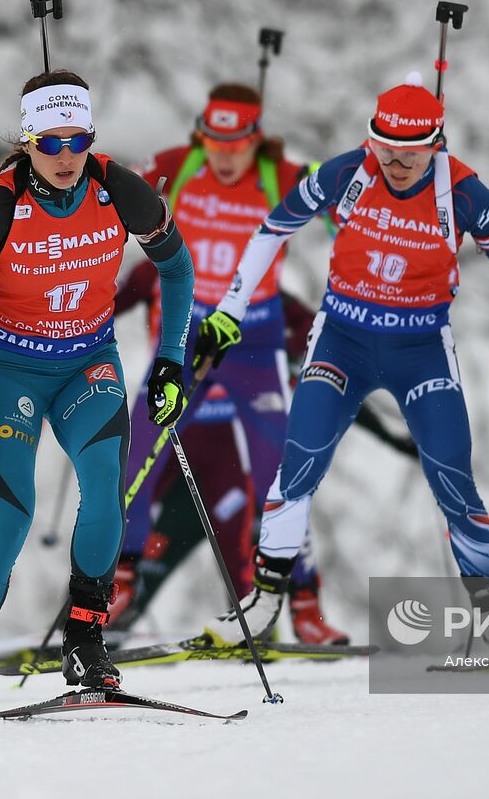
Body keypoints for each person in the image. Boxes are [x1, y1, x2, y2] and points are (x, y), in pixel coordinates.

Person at [191, 72, 489, 655]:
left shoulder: (463, 193)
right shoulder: (347, 173)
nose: (395, 166)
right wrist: (230, 309)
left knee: (452, 477)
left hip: (420, 349)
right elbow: (271, 228)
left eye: (410, 156)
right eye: (385, 151)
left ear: (435, 146)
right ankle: (264, 603)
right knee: (299, 462)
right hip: (343, 343)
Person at [0, 69, 195, 716]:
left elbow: (178, 268)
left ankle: (85, 640)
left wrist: (171, 361)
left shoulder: (118, 188)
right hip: (10, 371)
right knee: (11, 520)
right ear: (27, 141)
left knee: (105, 488)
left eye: (78, 140)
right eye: (49, 142)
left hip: (87, 365)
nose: (66, 155)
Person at [110, 83, 349, 643]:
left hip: (253, 336)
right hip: (188, 331)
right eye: (214, 142)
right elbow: (104, 198)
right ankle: (116, 584)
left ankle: (304, 605)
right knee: (135, 456)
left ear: (255, 140)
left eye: (236, 144)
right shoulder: (175, 167)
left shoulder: (282, 177)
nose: (223, 155)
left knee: (282, 476)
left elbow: (353, 207)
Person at [108, 262, 418, 641]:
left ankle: (262, 627)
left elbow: (322, 352)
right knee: (125, 516)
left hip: (227, 450)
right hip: (170, 439)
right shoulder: (158, 267)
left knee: (239, 540)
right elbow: (101, 305)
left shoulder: (255, 288)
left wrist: (393, 436)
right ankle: (85, 624)